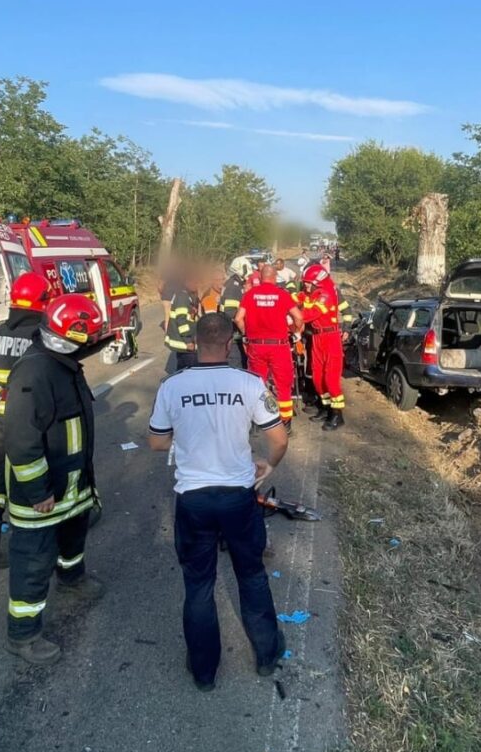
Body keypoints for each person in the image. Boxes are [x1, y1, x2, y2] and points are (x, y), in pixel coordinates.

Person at [147, 312, 288, 691]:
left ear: (193, 343)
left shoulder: (172, 387)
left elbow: (157, 441)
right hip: (238, 498)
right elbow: (278, 438)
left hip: (193, 499)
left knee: (198, 584)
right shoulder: (250, 383)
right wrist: (268, 467)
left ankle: (204, 672)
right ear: (229, 345)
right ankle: (266, 655)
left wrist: (188, 440)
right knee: (252, 574)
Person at [3, 293, 105, 664]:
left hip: (71, 485)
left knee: (73, 537)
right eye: (89, 335)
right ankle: (23, 634)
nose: (92, 341)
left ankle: (72, 577)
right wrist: (37, 490)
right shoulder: (35, 371)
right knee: (33, 561)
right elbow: (21, 437)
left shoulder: (62, 362)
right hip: (44, 493)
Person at [0, 271, 50, 574]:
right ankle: (45, 545)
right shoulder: (41, 337)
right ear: (43, 301)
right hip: (34, 423)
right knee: (41, 478)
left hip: (4, 420)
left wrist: (0, 407)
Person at [235, 264, 303, 430]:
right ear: (275, 277)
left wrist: (246, 334)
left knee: (256, 384)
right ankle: (285, 423)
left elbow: (238, 319)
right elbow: (298, 317)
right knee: (283, 386)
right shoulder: (282, 294)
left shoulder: (250, 294)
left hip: (256, 346)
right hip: (279, 347)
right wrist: (296, 333)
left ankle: (256, 421)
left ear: (261, 276)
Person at [298, 263, 352, 429]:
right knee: (317, 376)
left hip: (330, 338)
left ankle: (337, 414)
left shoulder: (325, 295)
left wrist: (291, 317)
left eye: (308, 282)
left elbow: (310, 314)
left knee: (330, 378)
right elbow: (297, 300)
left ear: (317, 282)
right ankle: (326, 407)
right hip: (317, 338)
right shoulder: (311, 294)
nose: (305, 285)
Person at [165, 273, 200, 369]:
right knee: (188, 370)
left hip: (185, 343)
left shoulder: (188, 296)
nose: (196, 284)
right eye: (193, 282)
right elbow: (181, 321)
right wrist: (188, 341)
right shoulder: (182, 297)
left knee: (183, 370)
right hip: (184, 343)